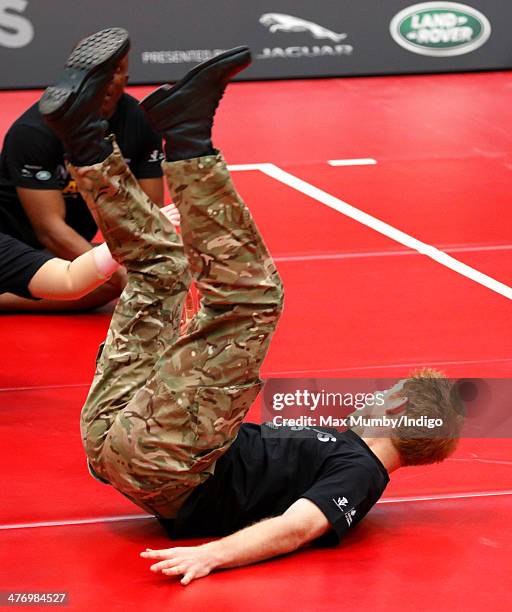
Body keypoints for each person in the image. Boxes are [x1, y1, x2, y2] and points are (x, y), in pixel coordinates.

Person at [39, 35, 464, 587]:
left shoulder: (361, 473)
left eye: (389, 392)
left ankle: (187, 135)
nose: (376, 391)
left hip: (168, 465)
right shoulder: (339, 444)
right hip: (125, 437)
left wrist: (214, 555)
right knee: (160, 271)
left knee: (253, 297)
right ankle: (85, 137)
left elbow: (297, 526)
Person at [0, 27, 165, 312]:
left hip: (65, 245)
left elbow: (149, 212)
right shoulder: (32, 131)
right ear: (74, 77)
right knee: (97, 284)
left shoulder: (141, 121)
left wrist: (146, 268)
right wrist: (119, 275)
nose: (106, 82)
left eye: (114, 71)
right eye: (94, 73)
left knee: (98, 283)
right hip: (15, 241)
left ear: (126, 77)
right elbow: (49, 230)